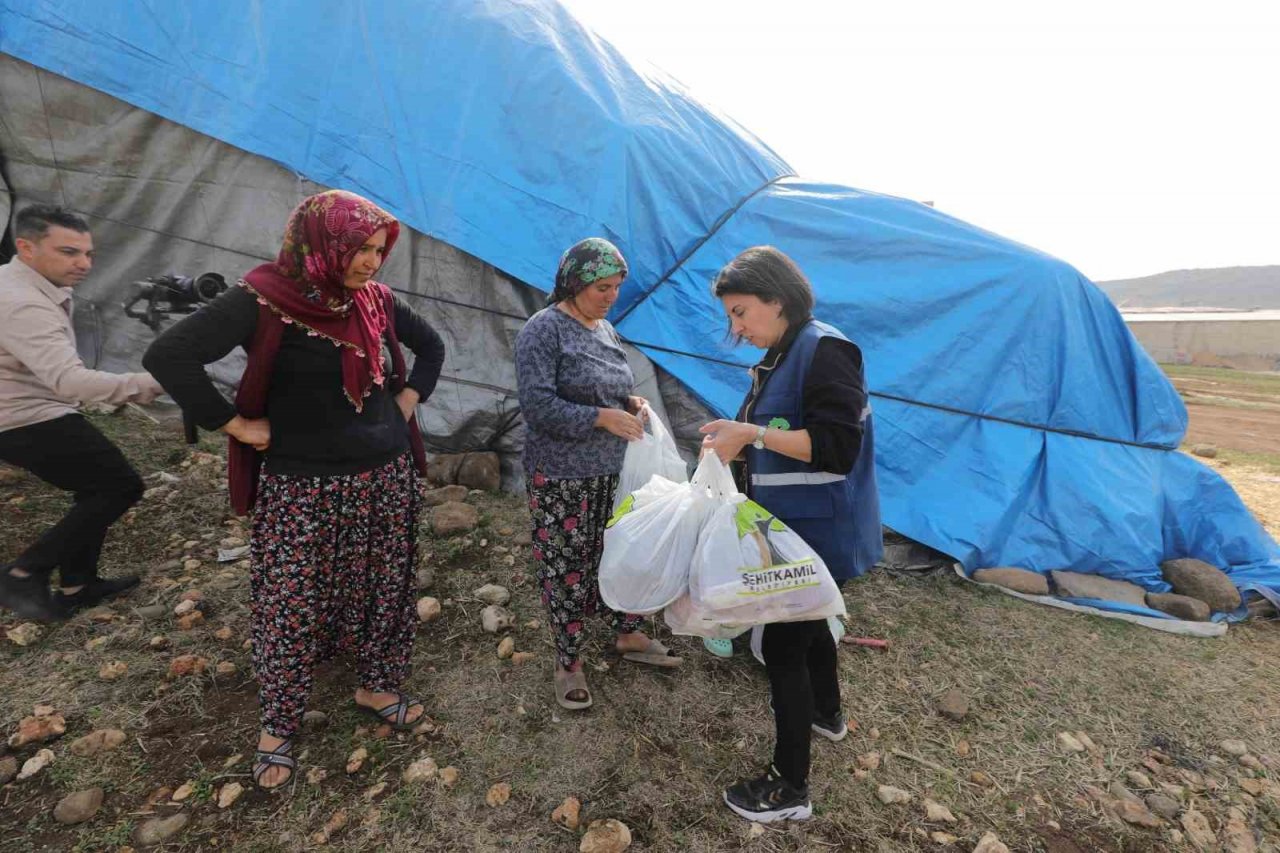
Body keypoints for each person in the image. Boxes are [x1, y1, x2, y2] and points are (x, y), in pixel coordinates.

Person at [144, 190, 445, 789]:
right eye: (359, 249)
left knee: (385, 586)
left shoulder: (376, 301)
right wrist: (232, 423)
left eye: (378, 250)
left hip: (385, 476)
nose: (370, 262)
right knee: (290, 602)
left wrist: (404, 406)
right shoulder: (264, 300)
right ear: (321, 243)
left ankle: (376, 683)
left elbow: (431, 347)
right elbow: (169, 354)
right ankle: (278, 722)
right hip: (303, 487)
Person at [699, 245, 882, 823]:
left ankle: (789, 788)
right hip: (794, 528)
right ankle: (827, 714)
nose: (737, 326)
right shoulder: (781, 355)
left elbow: (836, 448)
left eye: (742, 311)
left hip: (821, 529)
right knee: (809, 627)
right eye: (730, 315)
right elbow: (771, 436)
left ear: (777, 300)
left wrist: (749, 433)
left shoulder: (825, 350)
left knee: (783, 644)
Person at [515, 237, 682, 712]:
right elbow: (538, 405)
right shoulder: (542, 331)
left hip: (614, 470)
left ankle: (626, 633)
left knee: (623, 552)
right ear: (575, 282)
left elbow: (614, 387)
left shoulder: (604, 329)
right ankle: (568, 662)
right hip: (563, 477)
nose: (610, 296)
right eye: (601, 287)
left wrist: (630, 403)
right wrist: (600, 417)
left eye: (616, 287)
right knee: (568, 566)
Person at [0, 205, 164, 621]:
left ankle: (78, 584)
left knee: (97, 484)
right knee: (119, 486)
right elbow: (70, 383)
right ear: (27, 247)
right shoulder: (24, 304)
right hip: (21, 415)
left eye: (88, 253)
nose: (84, 264)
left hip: (26, 406)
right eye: (69, 252)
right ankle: (24, 572)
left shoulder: (19, 282)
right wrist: (154, 383)